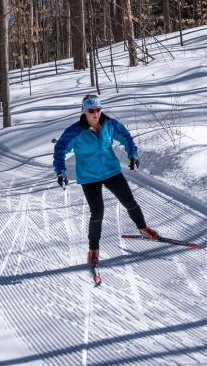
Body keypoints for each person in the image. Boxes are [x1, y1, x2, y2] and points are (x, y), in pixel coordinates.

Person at [53, 94, 158, 264]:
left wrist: (133, 155)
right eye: (91, 110)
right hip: (89, 177)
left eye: (98, 109)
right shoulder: (75, 132)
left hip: (112, 172)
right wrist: (61, 172)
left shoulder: (110, 124)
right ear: (84, 112)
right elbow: (59, 150)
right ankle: (93, 249)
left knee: (129, 202)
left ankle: (143, 228)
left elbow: (126, 137)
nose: (95, 113)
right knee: (97, 212)